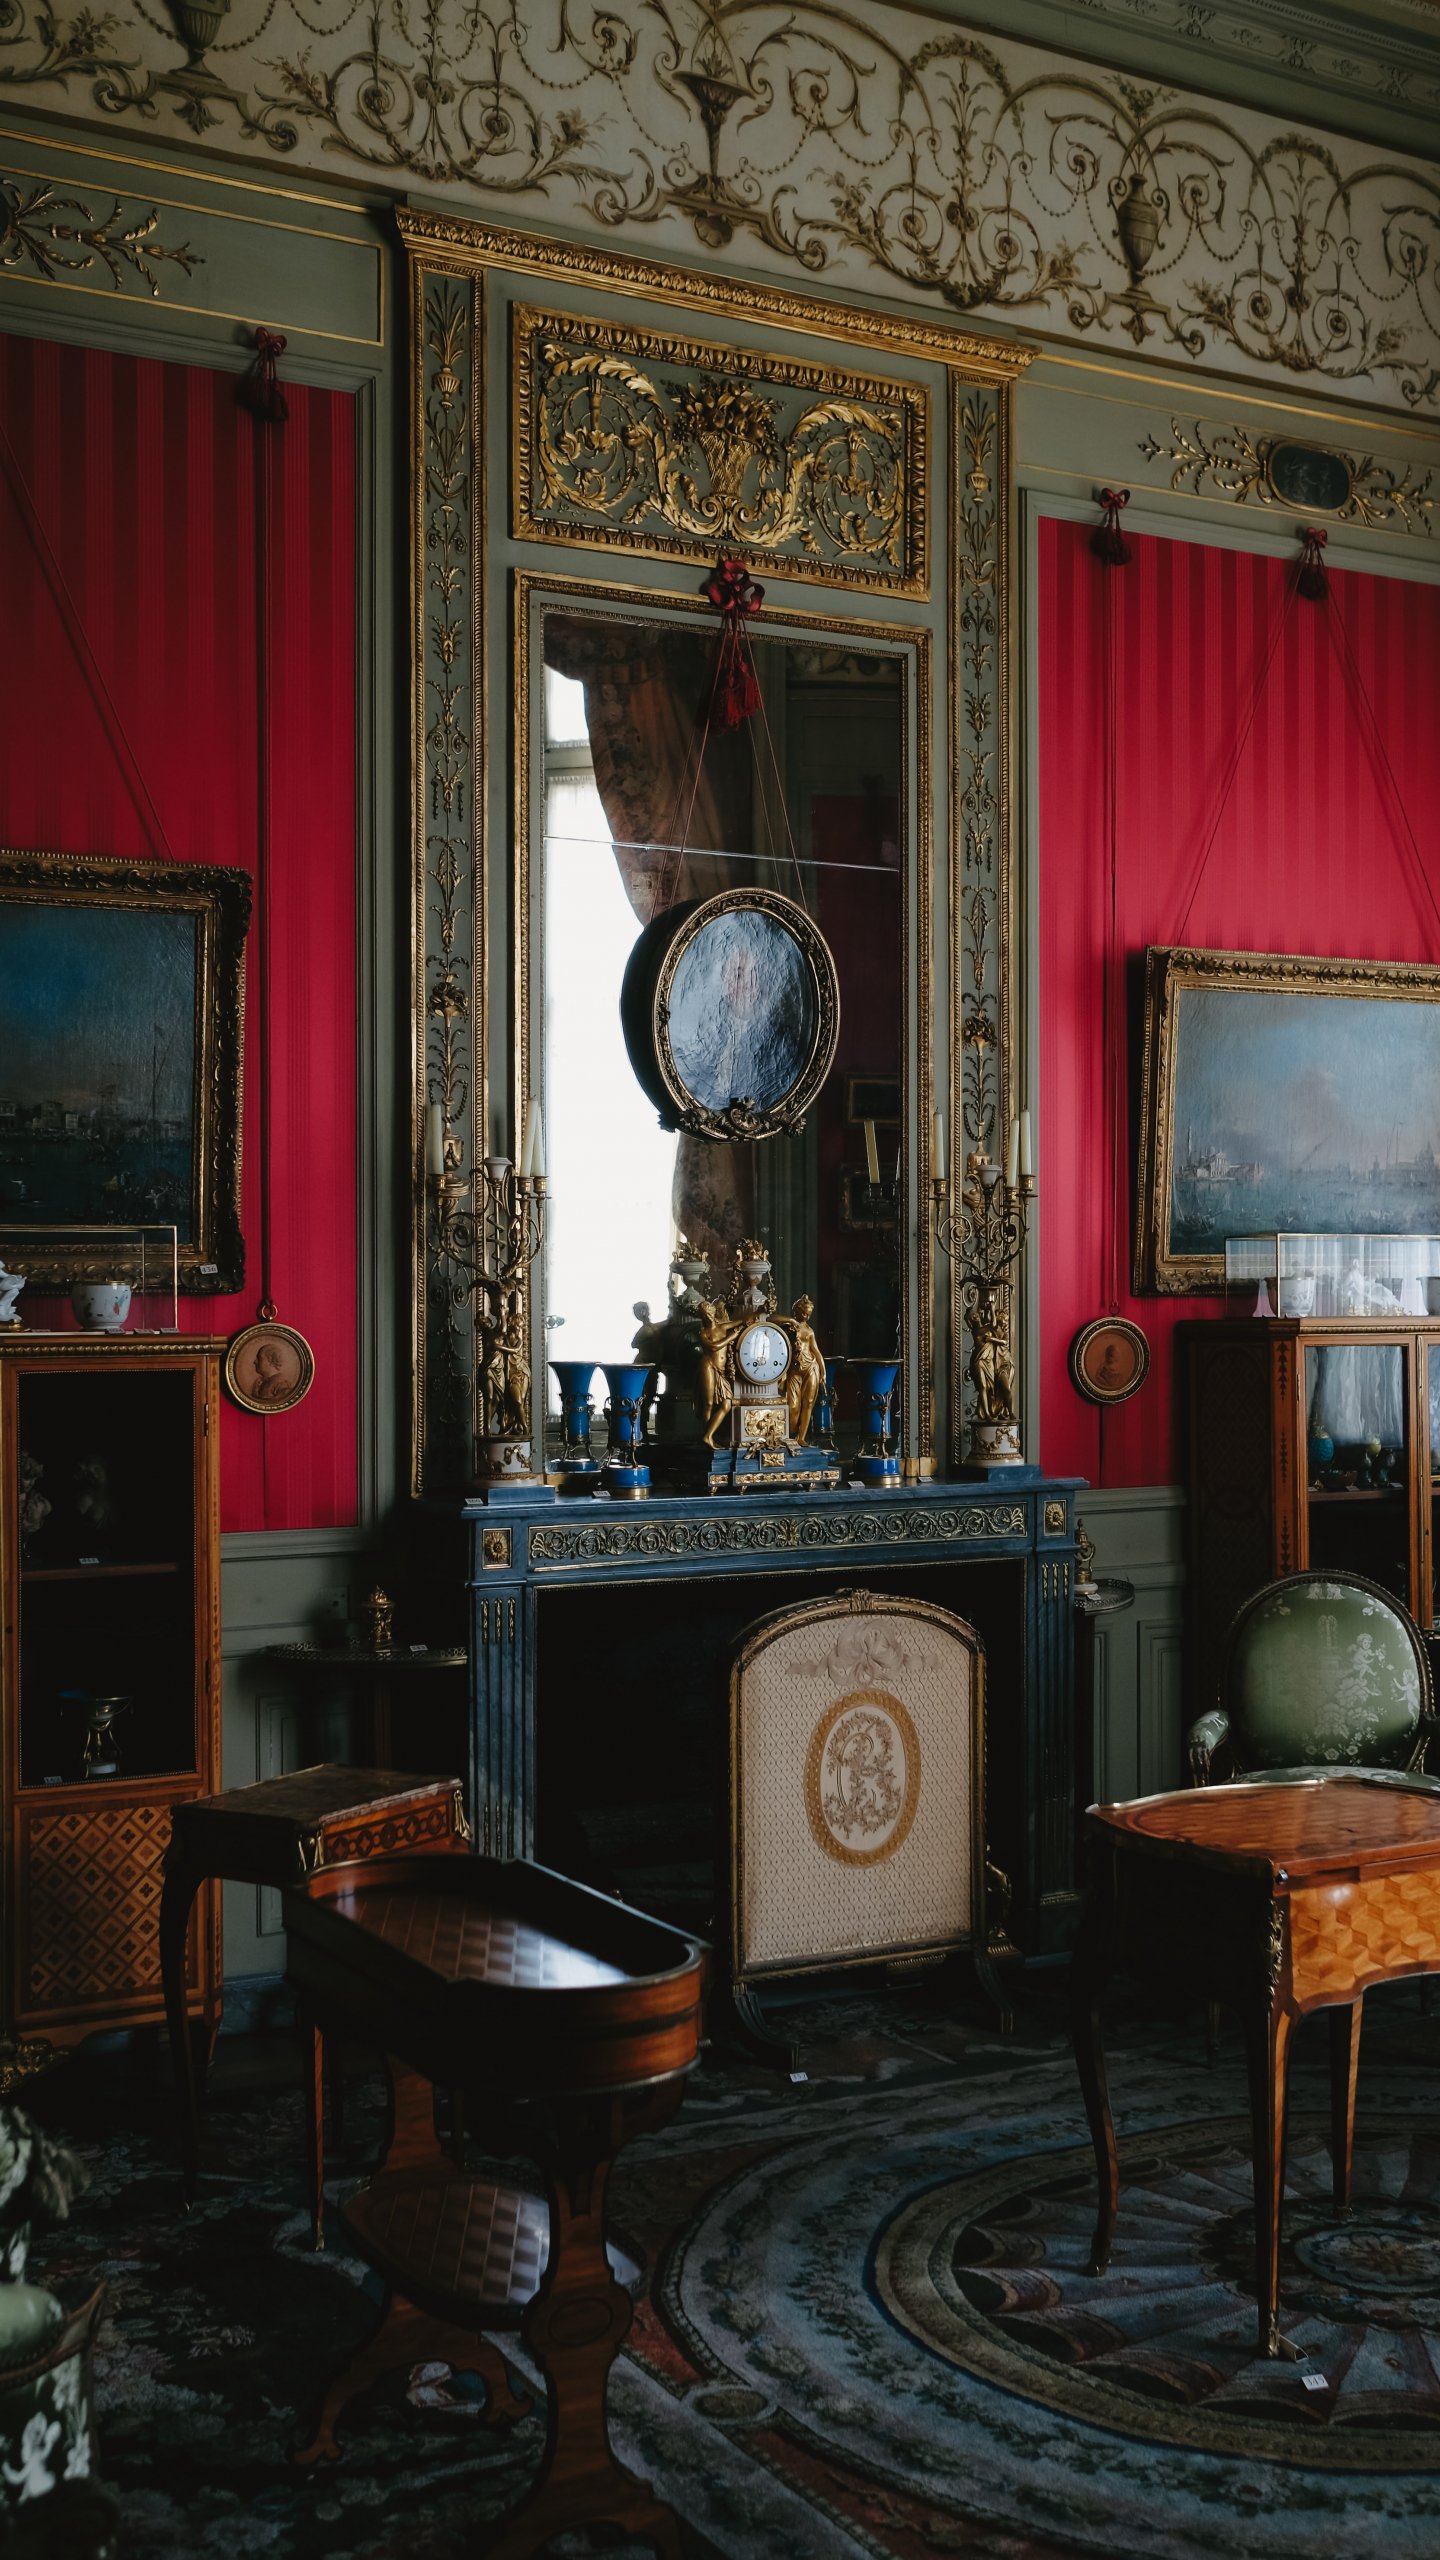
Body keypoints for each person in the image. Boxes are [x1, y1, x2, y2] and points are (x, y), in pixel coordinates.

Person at [787, 1295, 825, 1444]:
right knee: (792, 1406)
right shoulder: (788, 1326)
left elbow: (817, 1352)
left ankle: (801, 1437)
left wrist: (823, 1372)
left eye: (809, 1314)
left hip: (811, 1367)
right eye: (804, 1313)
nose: (806, 1317)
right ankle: (790, 1434)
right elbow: (771, 1319)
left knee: (808, 1402)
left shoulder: (809, 1331)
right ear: (797, 1310)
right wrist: (790, 1321)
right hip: (794, 1369)